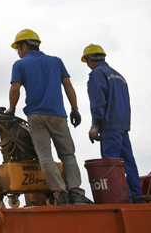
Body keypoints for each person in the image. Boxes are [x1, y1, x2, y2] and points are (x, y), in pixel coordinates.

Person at [7, 29, 92, 206]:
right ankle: (76, 192)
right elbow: (68, 86)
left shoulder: (20, 65)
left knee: (45, 156)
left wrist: (11, 109)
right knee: (68, 154)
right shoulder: (56, 61)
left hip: (36, 116)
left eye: (18, 48)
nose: (18, 52)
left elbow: (15, 88)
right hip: (58, 115)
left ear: (24, 46)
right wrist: (75, 109)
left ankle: (60, 194)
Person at [82, 44, 143, 202]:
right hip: (122, 125)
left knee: (111, 163)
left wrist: (95, 124)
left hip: (109, 125)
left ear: (89, 60)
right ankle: (137, 197)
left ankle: (122, 199)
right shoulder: (119, 76)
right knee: (128, 162)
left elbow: (98, 100)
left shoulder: (97, 73)